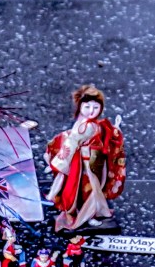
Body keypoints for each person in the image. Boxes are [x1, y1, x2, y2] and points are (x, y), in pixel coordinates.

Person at [45, 83, 125, 232]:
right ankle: (88, 216)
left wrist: (114, 132)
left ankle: (96, 213)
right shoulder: (83, 126)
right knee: (89, 190)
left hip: (97, 161)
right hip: (85, 163)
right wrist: (60, 162)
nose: (91, 111)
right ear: (80, 107)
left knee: (96, 189)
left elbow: (106, 136)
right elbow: (71, 143)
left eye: (96, 107)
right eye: (87, 107)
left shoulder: (95, 124)